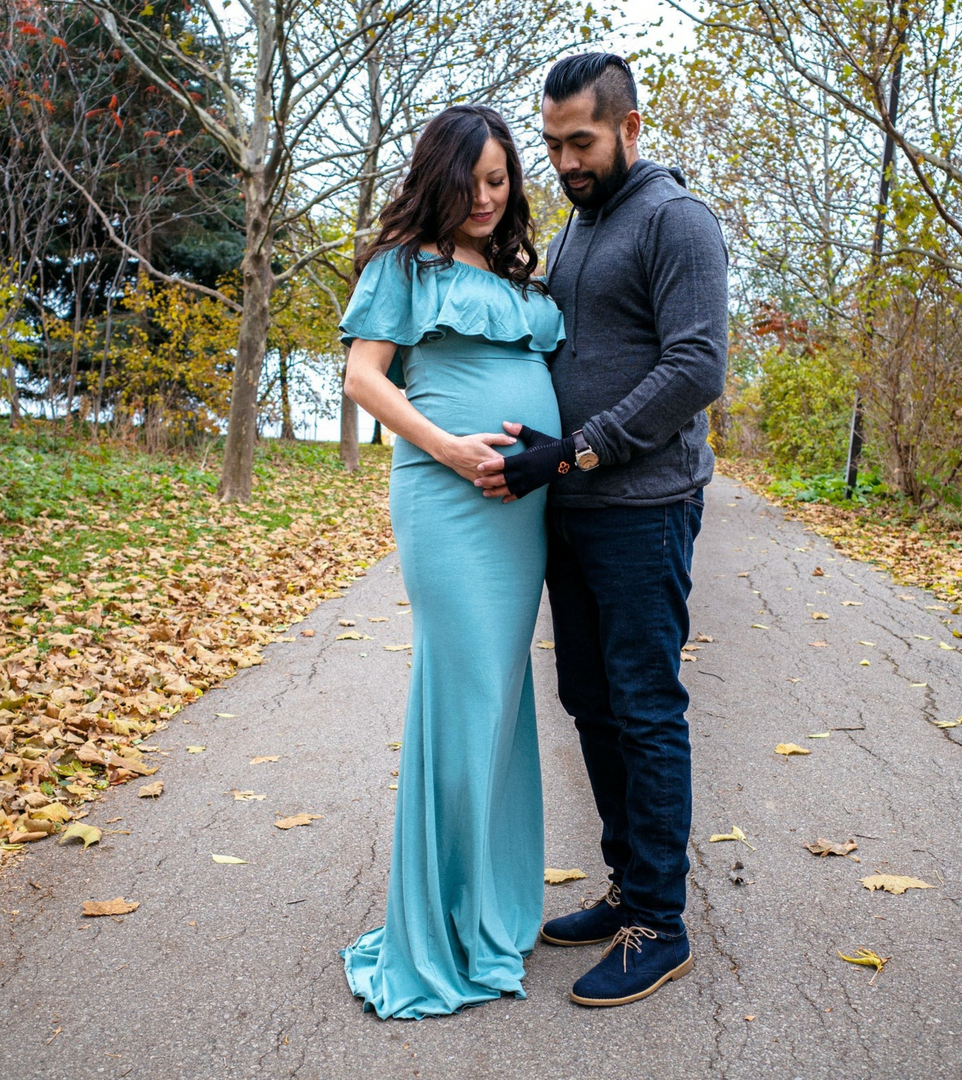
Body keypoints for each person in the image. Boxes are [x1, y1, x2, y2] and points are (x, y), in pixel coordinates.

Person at [475, 53, 729, 1008]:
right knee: (588, 700)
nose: (564, 162)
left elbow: (697, 365)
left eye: (579, 141)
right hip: (573, 512)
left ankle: (659, 923)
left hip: (643, 508)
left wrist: (576, 448)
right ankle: (626, 888)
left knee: (644, 706)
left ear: (628, 128)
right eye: (550, 144)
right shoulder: (582, 228)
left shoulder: (676, 220)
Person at [337, 105, 565, 1019]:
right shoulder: (404, 265)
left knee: (502, 705)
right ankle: (436, 933)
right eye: (469, 179)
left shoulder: (517, 273)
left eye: (499, 179)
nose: (484, 195)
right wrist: (451, 450)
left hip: (523, 514)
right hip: (450, 501)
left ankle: (490, 912)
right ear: (438, 177)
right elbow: (364, 379)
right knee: (462, 701)